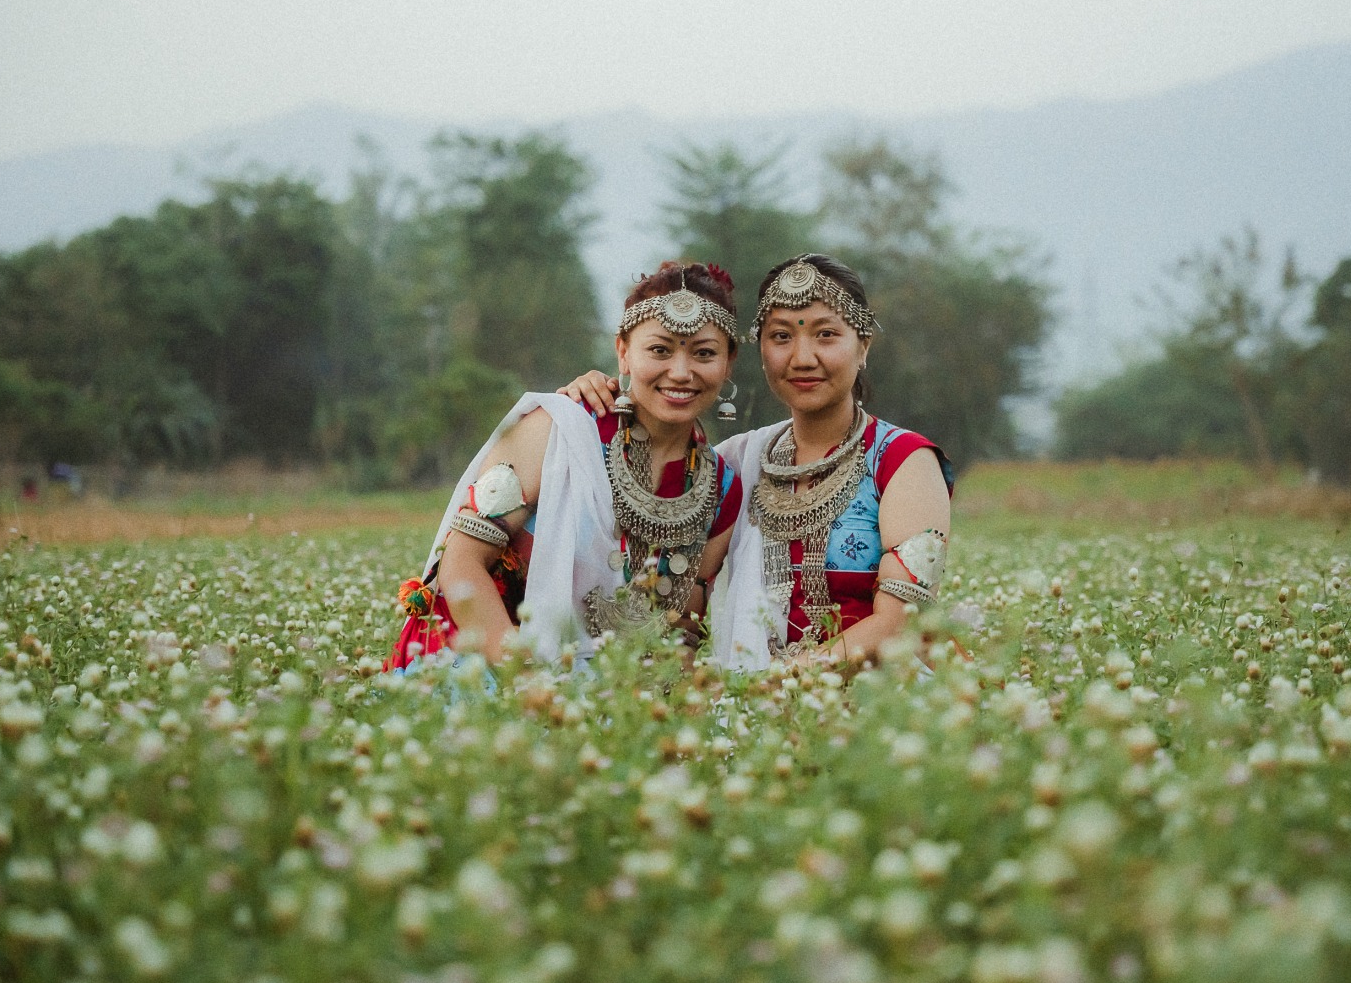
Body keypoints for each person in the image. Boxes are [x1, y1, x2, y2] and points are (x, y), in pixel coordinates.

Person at [564, 253, 953, 672]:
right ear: (761, 349)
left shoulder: (903, 461)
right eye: (781, 336)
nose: (802, 358)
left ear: (864, 346)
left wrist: (776, 683)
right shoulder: (735, 464)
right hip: (751, 703)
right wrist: (584, 405)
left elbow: (900, 623)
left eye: (825, 335)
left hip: (881, 698)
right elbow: (676, 609)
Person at [386, 261, 745, 673]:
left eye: (704, 353)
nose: (681, 373)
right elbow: (462, 563)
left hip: (605, 688)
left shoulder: (720, 488)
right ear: (623, 353)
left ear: (728, 363)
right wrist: (530, 684)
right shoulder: (559, 428)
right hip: (480, 662)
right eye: (660, 350)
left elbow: (680, 631)